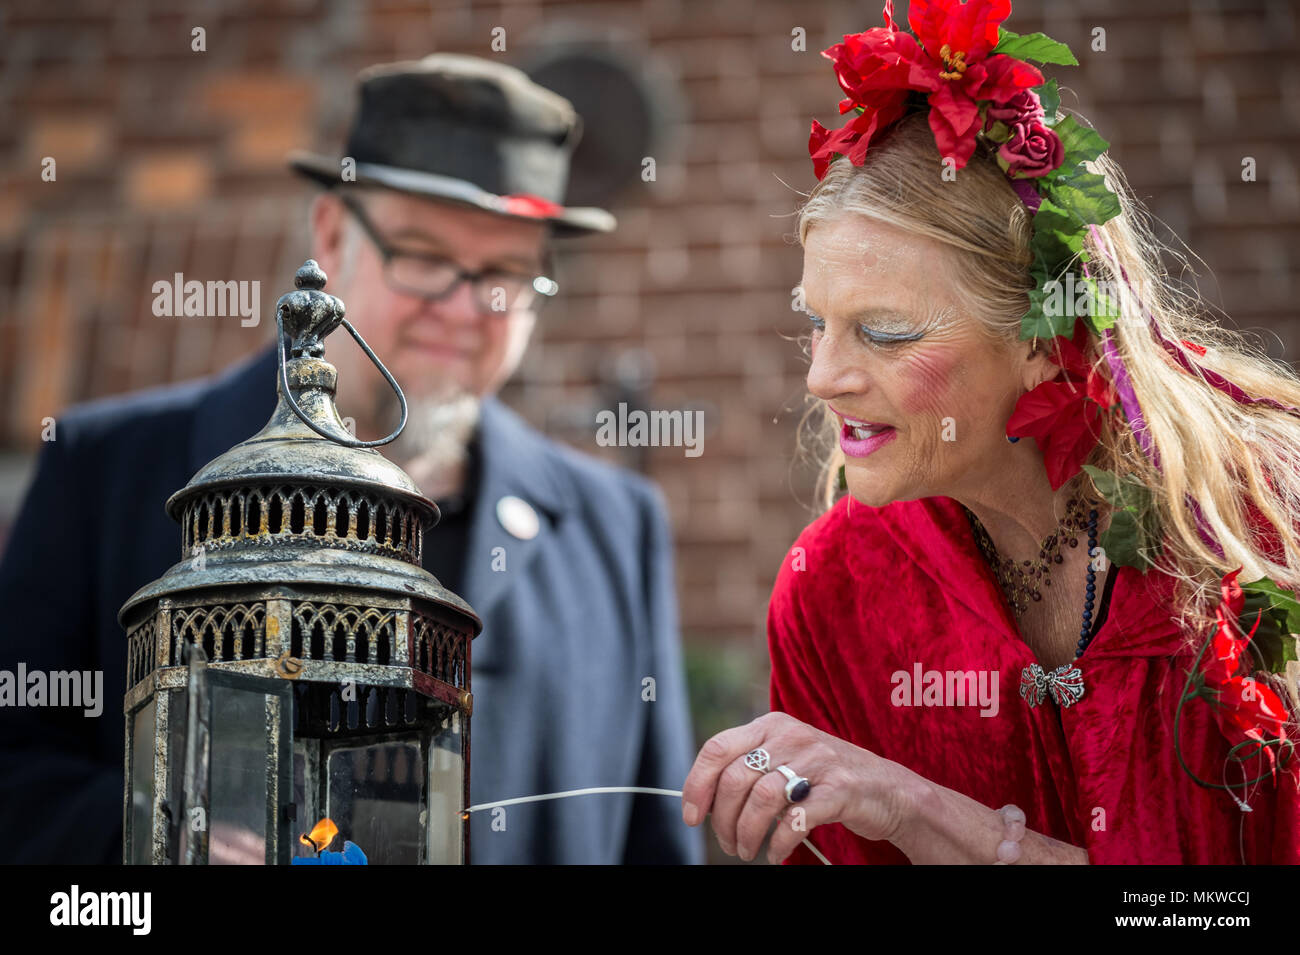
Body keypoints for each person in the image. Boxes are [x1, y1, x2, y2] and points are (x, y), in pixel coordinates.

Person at [0, 53, 703, 865]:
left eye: (506, 274)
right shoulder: (106, 469)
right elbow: (14, 780)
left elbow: (654, 839)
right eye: (424, 255)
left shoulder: (617, 528)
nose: (466, 305)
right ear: (332, 235)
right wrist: (170, 840)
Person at [681, 0, 1300, 865]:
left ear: (1045, 342)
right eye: (816, 322)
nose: (823, 377)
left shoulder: (1263, 523)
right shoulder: (834, 590)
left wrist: (922, 812)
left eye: (886, 330)